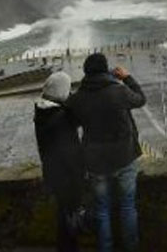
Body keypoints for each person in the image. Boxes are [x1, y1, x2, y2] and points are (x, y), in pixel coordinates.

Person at [66, 53, 146, 252]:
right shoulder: (118, 91)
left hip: (95, 162)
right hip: (124, 157)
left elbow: (71, 122)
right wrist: (127, 77)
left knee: (102, 209)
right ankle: (131, 248)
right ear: (105, 69)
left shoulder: (77, 99)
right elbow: (140, 99)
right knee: (128, 206)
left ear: (85, 72)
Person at [34, 71, 85, 252]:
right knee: (69, 222)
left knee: (63, 218)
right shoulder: (61, 119)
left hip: (53, 174)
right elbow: (69, 154)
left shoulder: (42, 112)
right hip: (67, 178)